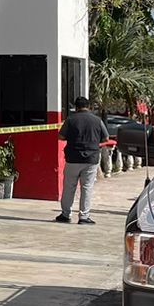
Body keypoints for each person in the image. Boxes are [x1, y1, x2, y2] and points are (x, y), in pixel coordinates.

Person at [56, 96, 108, 225]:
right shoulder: (97, 120)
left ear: (76, 107)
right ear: (89, 106)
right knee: (87, 187)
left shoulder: (70, 120)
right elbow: (106, 138)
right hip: (91, 159)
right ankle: (84, 217)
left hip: (73, 159)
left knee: (69, 187)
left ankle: (65, 214)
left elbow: (61, 136)